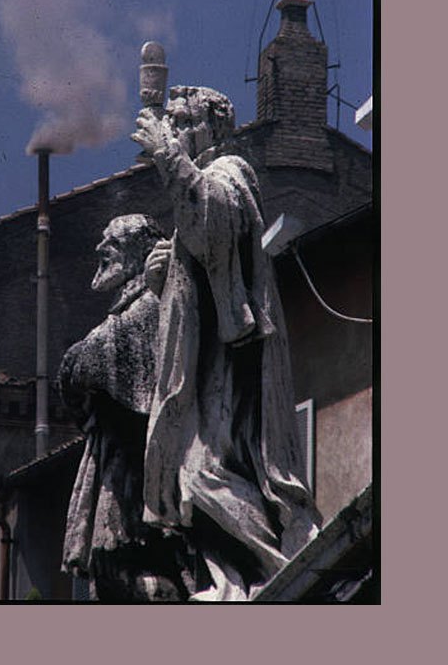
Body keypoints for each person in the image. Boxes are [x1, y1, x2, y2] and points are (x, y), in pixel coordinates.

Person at [131, 85, 321, 600]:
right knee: (193, 480)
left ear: (213, 128)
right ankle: (232, 581)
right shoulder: (198, 180)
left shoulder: (230, 171)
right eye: (171, 122)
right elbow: (198, 270)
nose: (174, 131)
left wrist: (168, 158)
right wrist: (163, 278)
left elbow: (214, 228)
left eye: (183, 122)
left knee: (203, 475)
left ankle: (280, 572)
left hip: (234, 368)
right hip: (209, 369)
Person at [57, 214, 195, 601]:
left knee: (126, 564)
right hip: (118, 458)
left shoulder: (152, 302)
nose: (100, 249)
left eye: (112, 242)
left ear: (138, 252)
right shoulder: (130, 307)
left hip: (136, 462)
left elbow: (91, 363)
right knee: (111, 569)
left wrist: (77, 359)